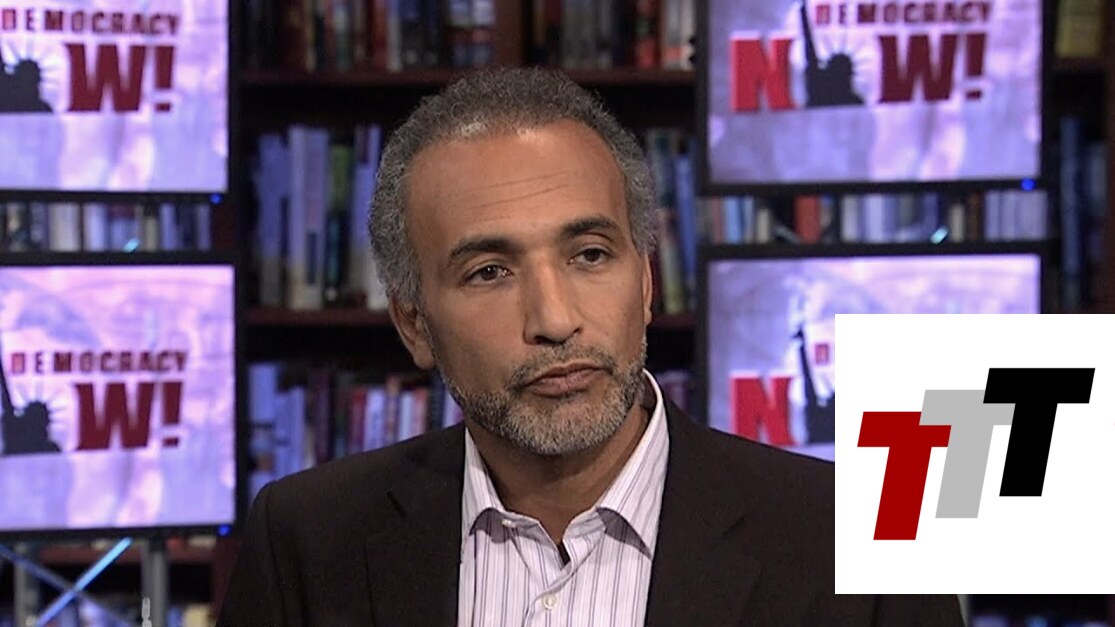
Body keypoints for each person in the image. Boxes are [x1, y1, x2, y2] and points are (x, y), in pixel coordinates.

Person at [217, 68, 963, 626]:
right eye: (489, 271)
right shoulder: (306, 541)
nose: (555, 318)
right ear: (414, 323)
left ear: (646, 281)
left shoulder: (857, 545)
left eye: (590, 255)